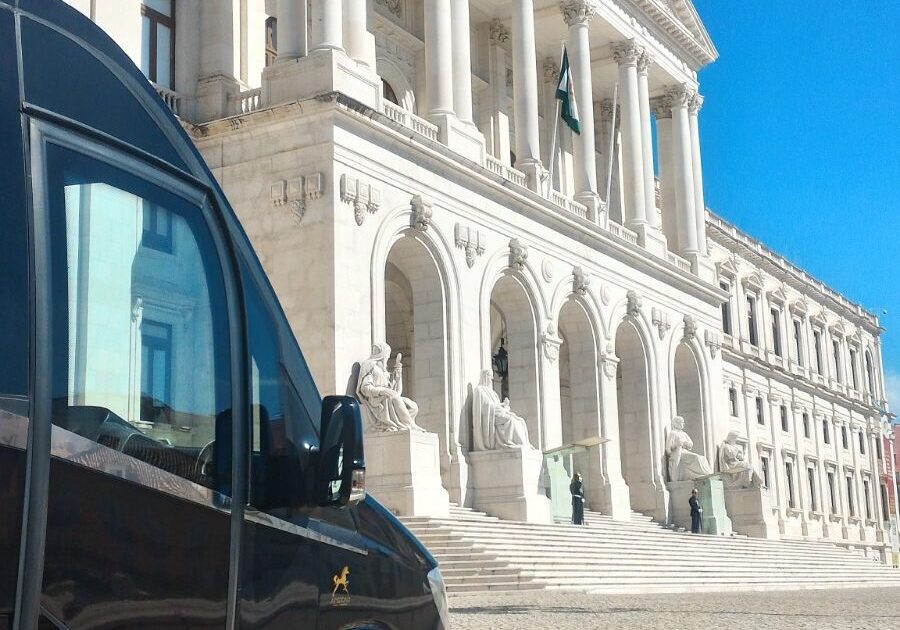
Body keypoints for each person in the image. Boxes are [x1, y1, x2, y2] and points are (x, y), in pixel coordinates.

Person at [355, 343, 421, 432]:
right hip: (376, 398)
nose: (386, 359)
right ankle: (409, 425)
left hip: (387, 397)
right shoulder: (370, 366)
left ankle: (406, 424)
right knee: (394, 398)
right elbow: (365, 388)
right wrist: (381, 391)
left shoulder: (385, 372)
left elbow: (397, 392)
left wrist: (398, 377)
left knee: (413, 406)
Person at [471, 369, 531, 450]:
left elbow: (496, 404)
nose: (491, 379)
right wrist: (500, 408)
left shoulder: (492, 392)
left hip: (498, 413)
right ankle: (509, 442)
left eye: (492, 377)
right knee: (510, 420)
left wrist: (504, 405)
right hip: (490, 417)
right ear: (484, 376)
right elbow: (485, 406)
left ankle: (521, 444)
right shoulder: (479, 390)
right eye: (489, 376)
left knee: (519, 420)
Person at [665, 416, 713, 482]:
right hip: (678, 453)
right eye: (682, 422)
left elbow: (691, 443)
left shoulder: (684, 434)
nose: (683, 424)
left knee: (702, 458)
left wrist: (686, 443)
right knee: (696, 457)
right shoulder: (673, 433)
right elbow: (668, 449)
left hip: (685, 451)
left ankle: (706, 474)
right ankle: (699, 474)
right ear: (676, 423)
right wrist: (676, 444)